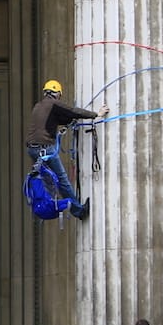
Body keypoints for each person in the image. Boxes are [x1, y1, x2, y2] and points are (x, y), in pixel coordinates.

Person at [26, 79, 105, 220]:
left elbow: (54, 120)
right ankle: (79, 211)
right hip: (45, 150)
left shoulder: (38, 106)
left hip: (33, 150)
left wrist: (69, 121)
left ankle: (51, 206)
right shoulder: (54, 103)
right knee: (62, 180)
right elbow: (72, 111)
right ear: (57, 93)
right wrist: (96, 115)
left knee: (48, 182)